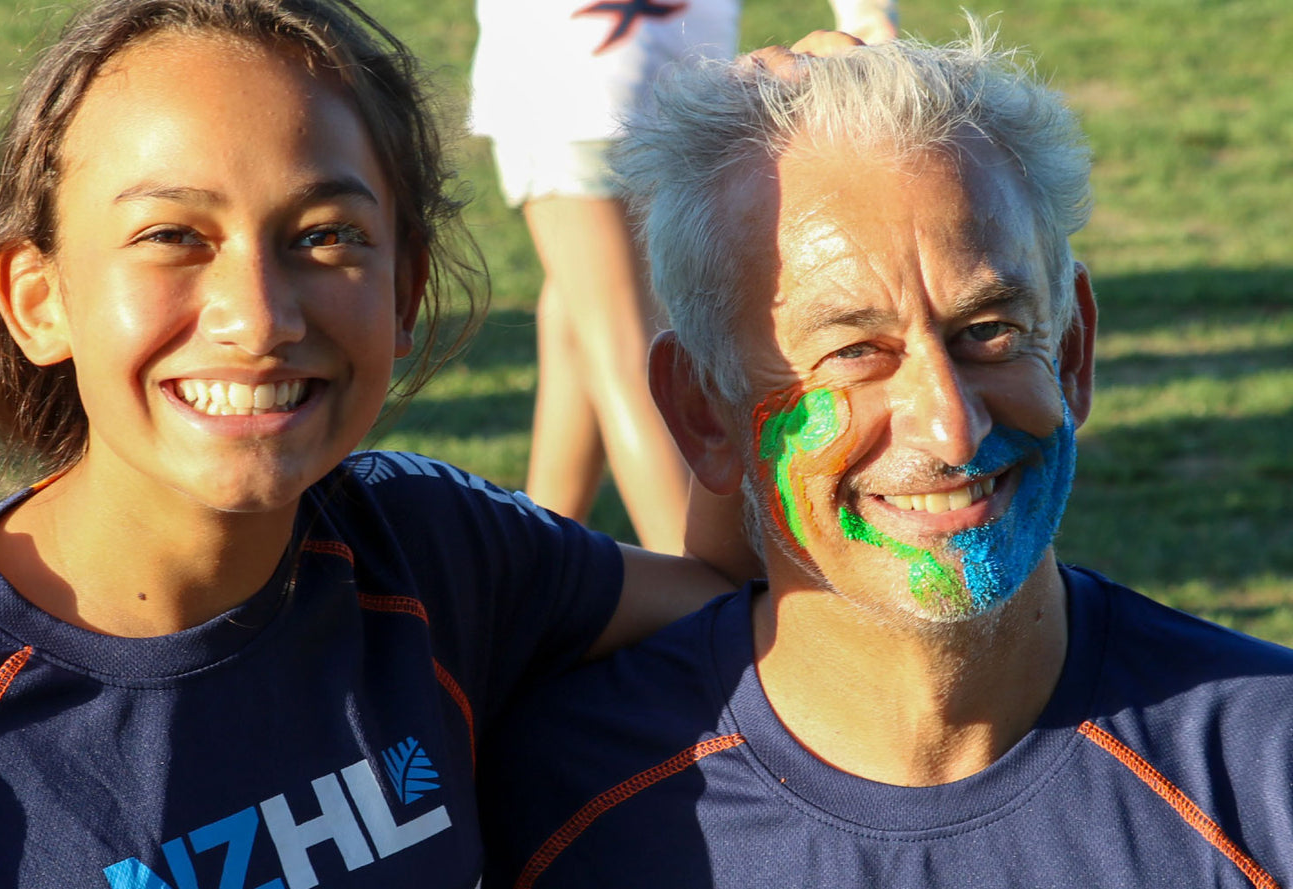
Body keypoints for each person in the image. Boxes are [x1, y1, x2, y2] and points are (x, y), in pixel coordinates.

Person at [0, 2, 730, 886]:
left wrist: (755, 234)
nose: (259, 317)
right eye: (173, 237)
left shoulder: (426, 552)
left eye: (325, 235)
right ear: (38, 299)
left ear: (405, 290)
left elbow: (752, 607)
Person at [479, 26, 1293, 888]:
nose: (951, 427)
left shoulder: (1266, 768)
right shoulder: (550, 803)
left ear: (1071, 351)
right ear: (703, 413)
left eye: (990, 331)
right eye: (855, 352)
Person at [468, 0, 896, 554]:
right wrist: (867, 15)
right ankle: (539, 561)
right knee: (580, 312)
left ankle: (696, 574)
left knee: (622, 351)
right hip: (683, 84)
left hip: (567, 87)